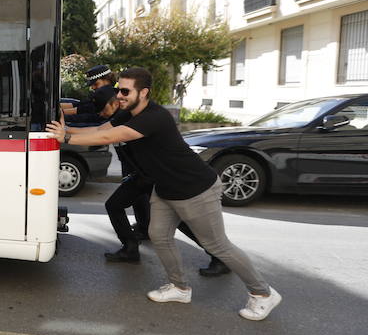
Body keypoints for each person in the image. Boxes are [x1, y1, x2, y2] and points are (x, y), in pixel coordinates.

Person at [46, 67, 281, 321]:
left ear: (144, 92)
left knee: (217, 245)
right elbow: (102, 127)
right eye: (118, 90)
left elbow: (108, 136)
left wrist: (66, 137)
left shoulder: (154, 117)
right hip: (165, 188)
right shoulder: (127, 111)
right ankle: (179, 287)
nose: (120, 96)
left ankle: (263, 293)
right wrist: (65, 129)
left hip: (194, 188)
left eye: (125, 91)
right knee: (159, 235)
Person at [84, 95, 230, 276]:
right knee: (114, 205)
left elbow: (103, 136)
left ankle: (219, 258)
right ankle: (130, 248)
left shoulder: (144, 118)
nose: (100, 113)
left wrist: (67, 136)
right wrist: (65, 131)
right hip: (141, 176)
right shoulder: (121, 116)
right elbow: (99, 130)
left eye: (102, 109)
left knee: (182, 222)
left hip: (158, 177)